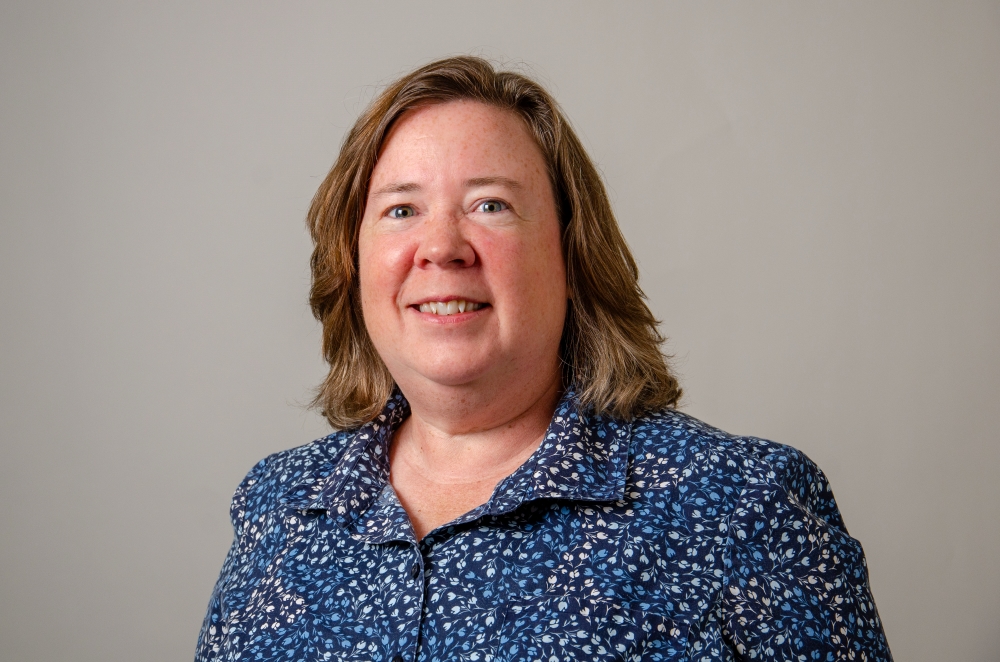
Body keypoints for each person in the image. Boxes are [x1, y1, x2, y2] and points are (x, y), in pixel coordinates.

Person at [195, 56, 892, 662]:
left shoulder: (743, 508)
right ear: (353, 260)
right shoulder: (279, 506)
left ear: (570, 255)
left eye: (490, 205)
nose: (441, 247)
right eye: (401, 211)